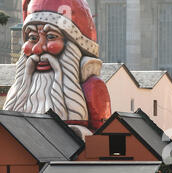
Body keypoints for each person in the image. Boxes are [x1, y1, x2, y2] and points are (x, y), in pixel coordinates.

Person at [5, 0, 111, 138]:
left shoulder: (91, 87)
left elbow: (104, 140)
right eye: (32, 38)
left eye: (51, 37)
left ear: (73, 45)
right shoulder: (20, 89)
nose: (37, 49)